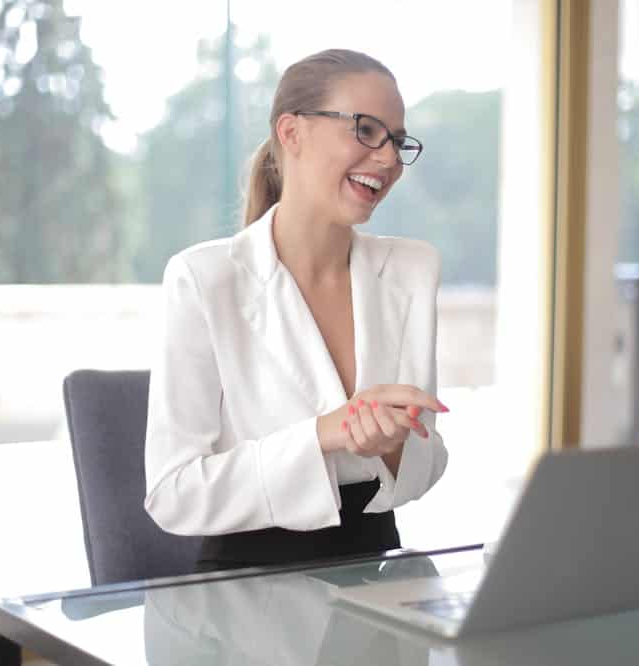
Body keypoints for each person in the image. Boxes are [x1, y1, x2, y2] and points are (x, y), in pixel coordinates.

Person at [143, 48, 449, 572]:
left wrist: (392, 445)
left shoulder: (411, 270)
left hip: (377, 569)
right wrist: (325, 434)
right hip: (246, 588)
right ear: (292, 132)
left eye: (397, 141)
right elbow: (174, 493)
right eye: (367, 130)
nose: (388, 159)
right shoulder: (203, 280)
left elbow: (425, 460)